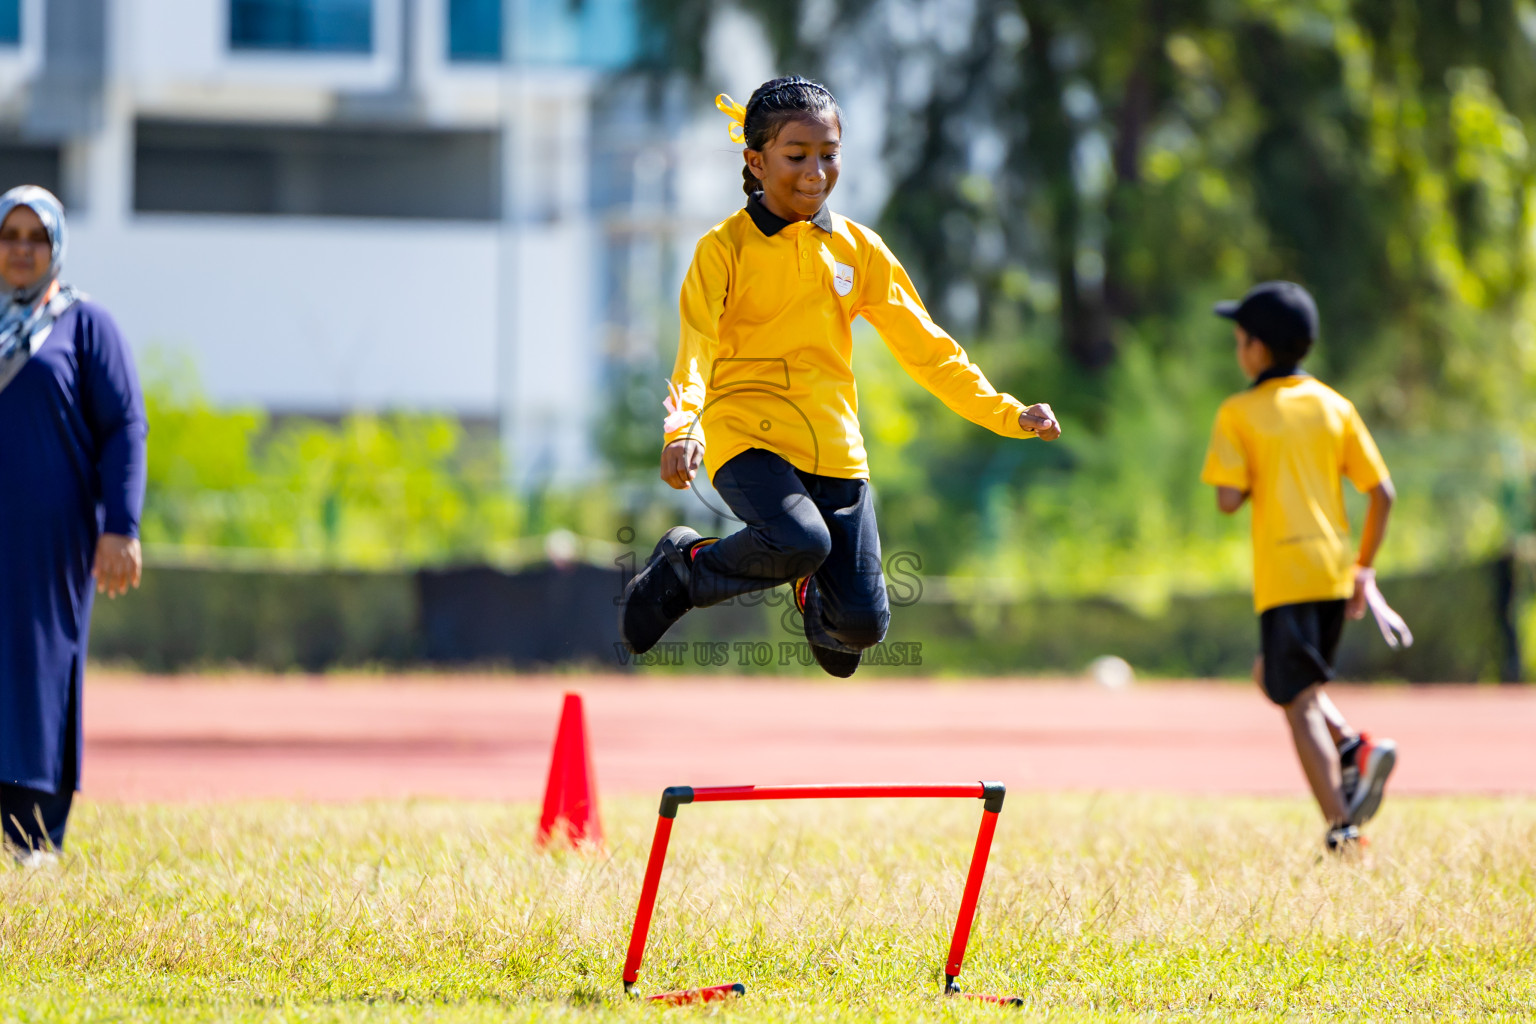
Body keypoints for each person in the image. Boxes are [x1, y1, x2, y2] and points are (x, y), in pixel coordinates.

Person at [619, 76, 1060, 676]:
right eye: (796, 156)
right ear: (756, 160)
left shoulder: (860, 250)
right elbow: (696, 347)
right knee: (801, 540)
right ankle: (685, 567)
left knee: (860, 628)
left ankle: (809, 589)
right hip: (746, 436)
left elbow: (929, 350)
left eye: (829, 156)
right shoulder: (723, 250)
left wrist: (1007, 412)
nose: (815, 172)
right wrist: (682, 429)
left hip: (835, 450)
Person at [1200, 281, 1403, 853]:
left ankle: (1343, 832)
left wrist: (1253, 473)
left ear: (1257, 350)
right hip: (1336, 570)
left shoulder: (1240, 411)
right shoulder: (1336, 406)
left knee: (1299, 704)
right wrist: (1364, 568)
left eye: (1240, 339)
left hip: (1285, 572)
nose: (1238, 349)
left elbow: (1227, 498)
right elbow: (1381, 492)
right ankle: (1350, 748)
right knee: (1276, 676)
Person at [0, 186, 146, 862]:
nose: (21, 249)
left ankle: (34, 832)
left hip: (50, 544)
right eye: (10, 235)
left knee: (41, 667)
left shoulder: (85, 327)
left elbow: (123, 428)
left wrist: (122, 526)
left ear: (55, 247)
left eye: (36, 237)